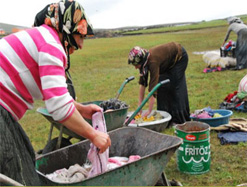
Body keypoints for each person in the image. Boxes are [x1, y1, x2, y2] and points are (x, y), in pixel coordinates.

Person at [0, 0, 111, 185]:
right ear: (67, 29)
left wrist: (82, 110)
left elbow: (52, 94)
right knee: (17, 171)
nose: (81, 45)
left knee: (25, 154)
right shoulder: (51, 45)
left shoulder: (44, 38)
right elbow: (59, 107)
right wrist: (93, 135)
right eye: (80, 36)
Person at [128, 42, 190, 125]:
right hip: (166, 63)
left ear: (141, 61)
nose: (135, 67)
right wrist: (140, 107)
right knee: (162, 87)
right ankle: (165, 118)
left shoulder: (152, 62)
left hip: (179, 58)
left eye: (136, 65)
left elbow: (153, 90)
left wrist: (149, 111)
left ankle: (178, 120)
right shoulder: (144, 63)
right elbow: (142, 84)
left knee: (174, 87)